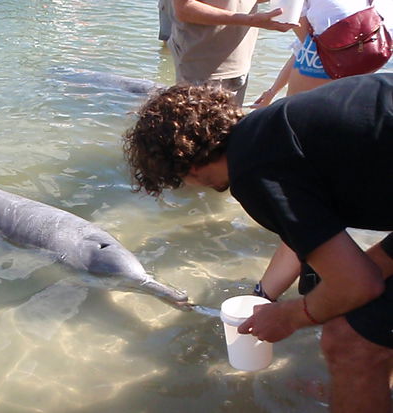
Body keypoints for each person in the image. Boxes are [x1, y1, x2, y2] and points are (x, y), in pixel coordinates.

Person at [122, 74, 393, 413]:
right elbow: (306, 237)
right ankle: (366, 387)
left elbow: (358, 283)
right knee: (366, 284)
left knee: (347, 341)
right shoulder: (271, 130)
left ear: (189, 168)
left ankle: (360, 375)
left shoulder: (251, 172)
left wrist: (291, 316)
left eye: (180, 181)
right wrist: (262, 298)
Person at [252, 0, 393, 108]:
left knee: (293, 117)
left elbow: (306, 44)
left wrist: (272, 93)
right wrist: (272, 91)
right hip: (370, 49)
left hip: (334, 58)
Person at [168, 0, 297, 105]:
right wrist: (250, 20)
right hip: (203, 66)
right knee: (200, 126)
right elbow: (184, 9)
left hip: (240, 62)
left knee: (231, 126)